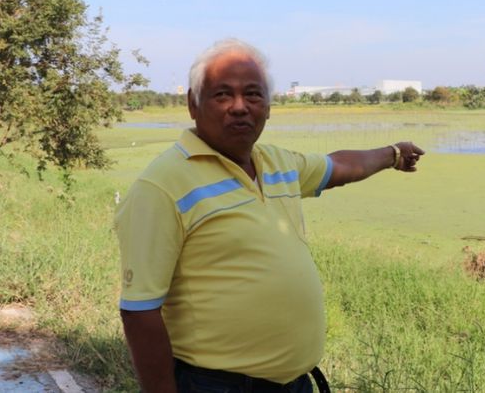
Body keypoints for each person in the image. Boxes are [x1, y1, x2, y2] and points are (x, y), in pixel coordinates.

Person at [115, 38, 424, 392]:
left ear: (268, 106)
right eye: (221, 95)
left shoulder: (278, 164)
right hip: (217, 385)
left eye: (253, 94)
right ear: (192, 104)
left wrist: (393, 154)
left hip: (294, 383)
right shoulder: (162, 186)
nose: (239, 107)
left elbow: (339, 167)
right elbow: (139, 311)